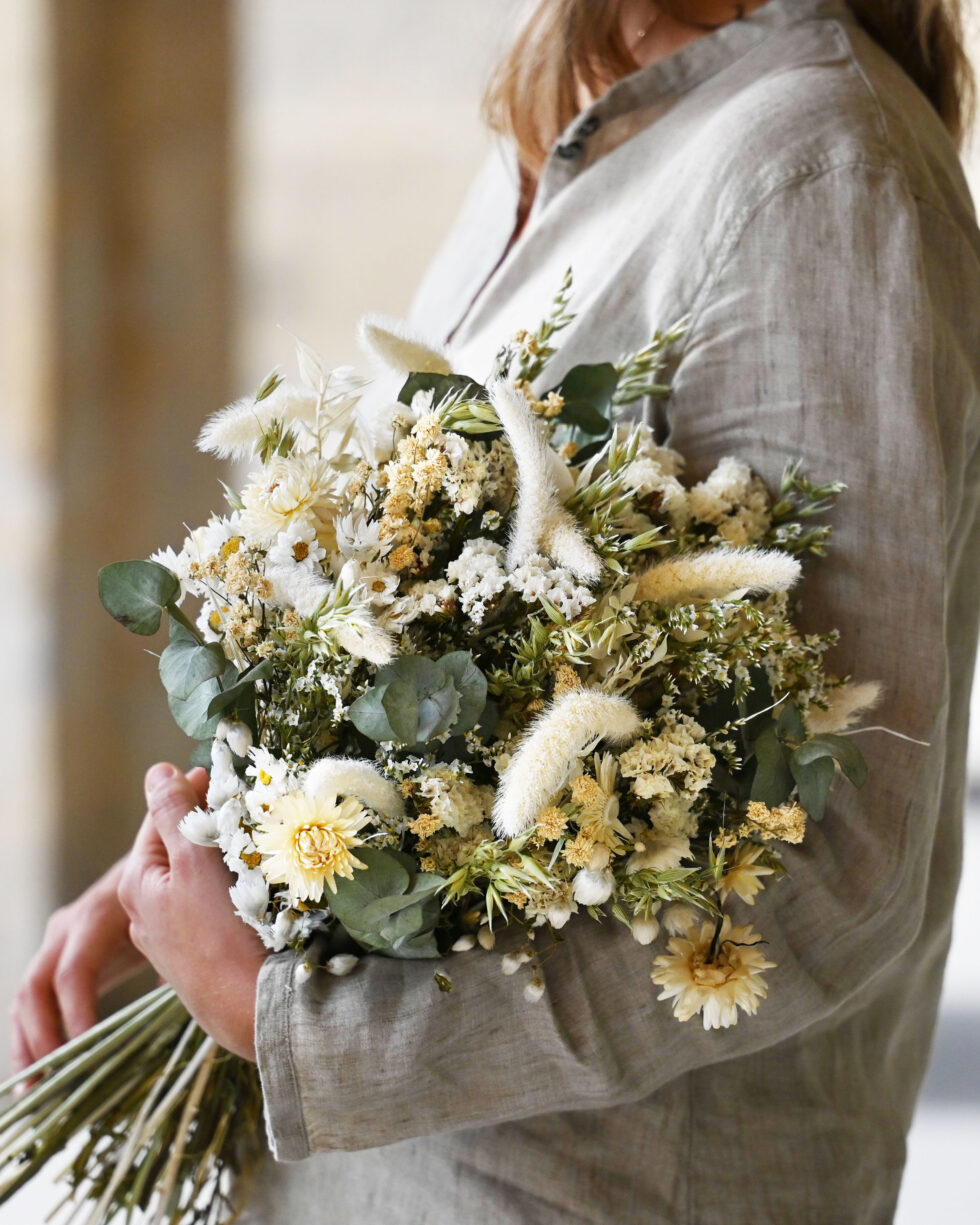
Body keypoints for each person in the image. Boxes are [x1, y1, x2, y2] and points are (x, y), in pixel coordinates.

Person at [11, 0, 980, 1221]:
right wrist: (220, 863)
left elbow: (836, 859)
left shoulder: (821, 174)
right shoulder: (574, 109)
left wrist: (308, 1034)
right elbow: (422, 649)